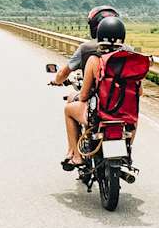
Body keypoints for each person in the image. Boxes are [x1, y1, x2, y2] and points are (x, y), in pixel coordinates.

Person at [51, 13, 127, 170]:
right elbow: (139, 92)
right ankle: (127, 151)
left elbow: (84, 95)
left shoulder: (93, 58)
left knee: (68, 109)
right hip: (125, 114)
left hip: (99, 113)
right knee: (134, 121)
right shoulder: (130, 56)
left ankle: (77, 156)